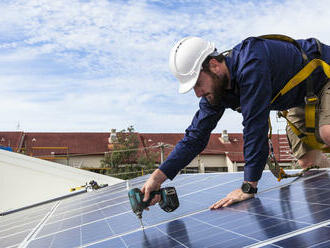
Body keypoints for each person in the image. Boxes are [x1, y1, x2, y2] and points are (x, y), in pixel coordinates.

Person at [141, 35, 330, 209]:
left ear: (214, 65)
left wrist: (249, 186)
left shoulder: (252, 63)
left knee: (327, 132)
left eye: (198, 83)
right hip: (303, 97)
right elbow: (195, 137)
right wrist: (158, 178)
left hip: (325, 75)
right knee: (308, 163)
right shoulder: (217, 91)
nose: (198, 93)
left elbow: (255, 126)